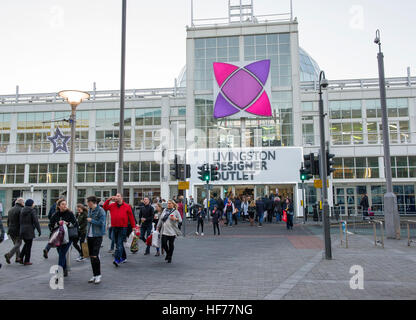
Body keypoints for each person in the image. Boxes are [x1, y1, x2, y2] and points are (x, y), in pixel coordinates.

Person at [103, 194, 136, 267]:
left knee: (119, 243)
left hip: (123, 227)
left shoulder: (127, 206)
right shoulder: (112, 205)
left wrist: (134, 226)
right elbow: (105, 207)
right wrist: (109, 199)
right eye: (116, 196)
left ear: (121, 197)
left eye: (118, 196)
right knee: (117, 243)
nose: (116, 197)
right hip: (114, 227)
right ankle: (124, 257)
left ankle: (117, 259)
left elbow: (131, 217)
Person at [49, 199, 77, 276]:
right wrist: (58, 223)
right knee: (61, 253)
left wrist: (67, 223)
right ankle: (64, 269)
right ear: (59, 206)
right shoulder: (55, 214)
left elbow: (75, 224)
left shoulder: (70, 214)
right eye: (63, 204)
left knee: (62, 253)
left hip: (68, 237)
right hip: (58, 238)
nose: (65, 206)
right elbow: (50, 225)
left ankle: (59, 272)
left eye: (65, 204)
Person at [86, 196, 106, 284]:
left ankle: (98, 275)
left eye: (88, 202)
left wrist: (92, 220)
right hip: (89, 236)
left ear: (92, 202)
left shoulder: (101, 210)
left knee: (95, 255)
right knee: (91, 256)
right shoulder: (89, 210)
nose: (87, 204)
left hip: (97, 235)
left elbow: (102, 223)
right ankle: (94, 275)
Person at [19, 199, 41, 266]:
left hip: (22, 229)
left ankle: (20, 257)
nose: (34, 204)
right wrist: (39, 230)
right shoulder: (32, 211)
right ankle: (26, 260)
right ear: (31, 204)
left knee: (26, 244)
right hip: (29, 230)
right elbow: (35, 221)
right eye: (33, 203)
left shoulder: (22, 210)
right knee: (28, 245)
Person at [4, 198, 24, 264]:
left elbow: (8, 221)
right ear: (21, 203)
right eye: (23, 202)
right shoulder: (21, 210)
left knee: (16, 244)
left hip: (11, 230)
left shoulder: (10, 210)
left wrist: (9, 228)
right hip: (17, 229)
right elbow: (21, 221)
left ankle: (18, 258)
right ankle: (9, 255)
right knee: (19, 243)